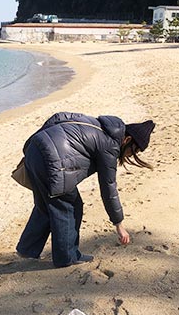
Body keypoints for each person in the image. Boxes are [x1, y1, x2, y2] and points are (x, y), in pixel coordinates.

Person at [16, 112, 154, 267]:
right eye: (133, 150)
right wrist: (119, 224)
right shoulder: (111, 145)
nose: (131, 154)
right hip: (53, 161)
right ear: (127, 140)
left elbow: (58, 117)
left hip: (35, 150)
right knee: (69, 207)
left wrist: (31, 146)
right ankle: (67, 258)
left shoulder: (99, 125)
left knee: (45, 204)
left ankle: (27, 249)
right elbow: (108, 188)